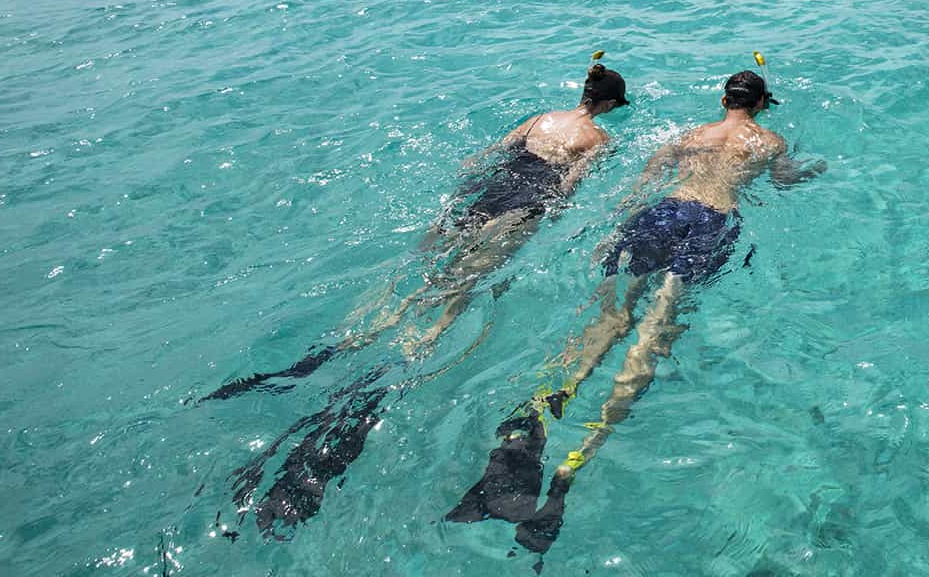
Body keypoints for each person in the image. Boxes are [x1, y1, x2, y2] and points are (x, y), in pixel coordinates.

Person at [447, 69, 825, 553]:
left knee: (611, 317)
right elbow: (785, 181)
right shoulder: (768, 140)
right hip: (711, 220)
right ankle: (583, 450)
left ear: (722, 98)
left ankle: (544, 407)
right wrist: (815, 168)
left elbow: (645, 180)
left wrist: (614, 226)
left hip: (661, 213)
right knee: (655, 329)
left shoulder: (691, 135)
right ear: (761, 103)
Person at [204, 61, 629, 399]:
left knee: (423, 261)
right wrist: (554, 216)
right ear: (608, 105)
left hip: (491, 189)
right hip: (526, 203)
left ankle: (368, 326)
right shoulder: (597, 139)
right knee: (468, 278)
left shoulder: (541, 119)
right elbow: (569, 189)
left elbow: (488, 155)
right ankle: (424, 340)